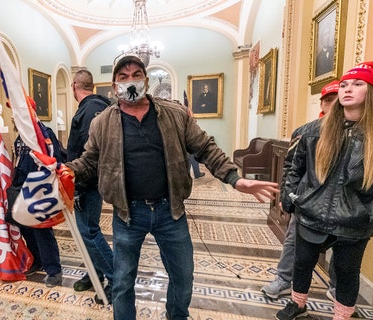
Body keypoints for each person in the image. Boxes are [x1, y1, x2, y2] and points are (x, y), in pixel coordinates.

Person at [65, 53, 279, 320]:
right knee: (122, 282)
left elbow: (205, 147)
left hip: (171, 212)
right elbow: (89, 161)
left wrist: (235, 178)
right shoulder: (102, 122)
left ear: (146, 79)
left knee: (183, 276)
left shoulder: (175, 114)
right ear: (114, 86)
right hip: (127, 214)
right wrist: (66, 170)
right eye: (123, 77)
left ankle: (176, 316)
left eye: (136, 75)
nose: (130, 81)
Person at [275, 61, 373, 320]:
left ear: (371, 91)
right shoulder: (312, 131)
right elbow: (294, 167)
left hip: (356, 218)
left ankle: (342, 314)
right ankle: (298, 303)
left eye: (358, 84)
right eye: (345, 85)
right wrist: (288, 198)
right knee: (302, 263)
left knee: (347, 271)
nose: (348, 89)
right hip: (310, 213)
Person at [261, 80, 340, 300]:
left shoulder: (357, 132)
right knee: (293, 241)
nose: (334, 105)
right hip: (308, 199)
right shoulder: (306, 132)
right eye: (329, 101)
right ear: (322, 105)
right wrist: (286, 198)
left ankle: (337, 287)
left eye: (338, 100)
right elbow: (291, 167)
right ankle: (284, 280)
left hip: (343, 203)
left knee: (342, 248)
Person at [67, 69, 113, 303]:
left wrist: (79, 185)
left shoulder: (88, 111)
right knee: (88, 232)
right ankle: (94, 273)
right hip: (92, 180)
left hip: (87, 182)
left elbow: (89, 154)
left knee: (89, 231)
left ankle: (115, 278)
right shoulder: (100, 106)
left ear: (75, 85)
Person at [10, 98, 64, 287]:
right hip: (21, 188)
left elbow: (54, 158)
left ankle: (54, 270)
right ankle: (38, 259)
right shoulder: (20, 137)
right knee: (25, 226)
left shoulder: (44, 134)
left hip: (38, 188)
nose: (15, 117)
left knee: (42, 231)